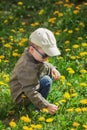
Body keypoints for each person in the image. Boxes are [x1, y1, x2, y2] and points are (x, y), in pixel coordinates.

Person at [10, 28, 61, 115]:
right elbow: (30, 90)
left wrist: (52, 68)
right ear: (32, 50)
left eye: (49, 55)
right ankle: (34, 107)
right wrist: (46, 105)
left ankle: (38, 103)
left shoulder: (33, 55)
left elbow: (43, 64)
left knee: (47, 76)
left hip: (29, 88)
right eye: (45, 55)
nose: (47, 59)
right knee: (46, 81)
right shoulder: (26, 67)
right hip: (23, 96)